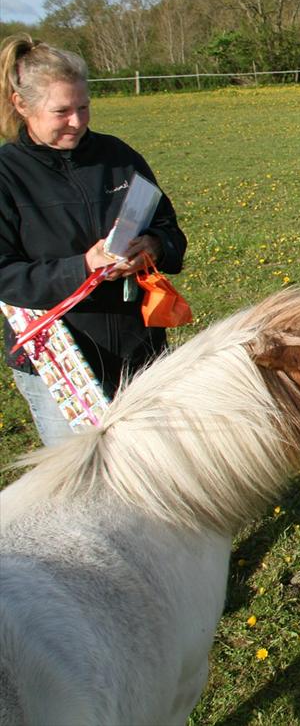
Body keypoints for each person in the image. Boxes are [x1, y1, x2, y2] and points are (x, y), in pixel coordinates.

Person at [0, 34, 187, 446]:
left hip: (138, 346)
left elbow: (170, 229)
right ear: (21, 105)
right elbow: (5, 275)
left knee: (154, 460)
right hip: (60, 357)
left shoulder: (119, 156)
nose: (77, 121)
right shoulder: (6, 176)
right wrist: (83, 266)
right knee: (82, 483)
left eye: (83, 107)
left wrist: (153, 247)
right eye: (61, 111)